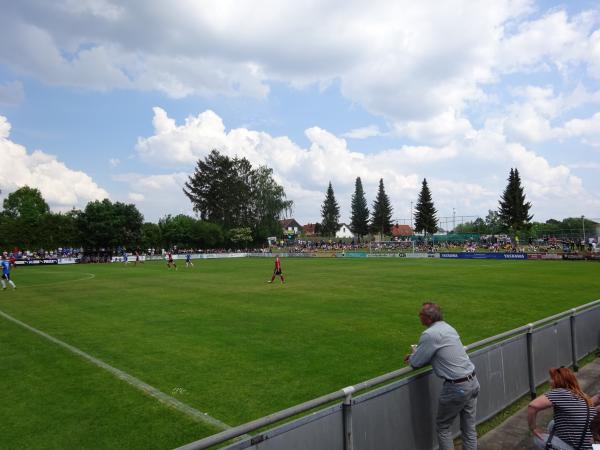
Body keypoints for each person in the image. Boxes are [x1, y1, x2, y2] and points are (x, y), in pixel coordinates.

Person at [404, 302, 479, 450]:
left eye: (421, 315)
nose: (419, 317)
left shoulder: (429, 334)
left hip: (456, 387)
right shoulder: (448, 327)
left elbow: (417, 362)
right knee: (469, 427)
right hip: (473, 381)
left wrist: (413, 357)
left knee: (443, 427)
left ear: (429, 318)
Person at [528, 367, 597, 450]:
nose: (549, 381)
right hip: (591, 444)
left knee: (539, 439)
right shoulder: (581, 395)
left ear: (558, 381)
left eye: (552, 378)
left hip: (581, 447)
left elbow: (533, 406)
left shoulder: (560, 392)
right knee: (553, 424)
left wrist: (533, 428)